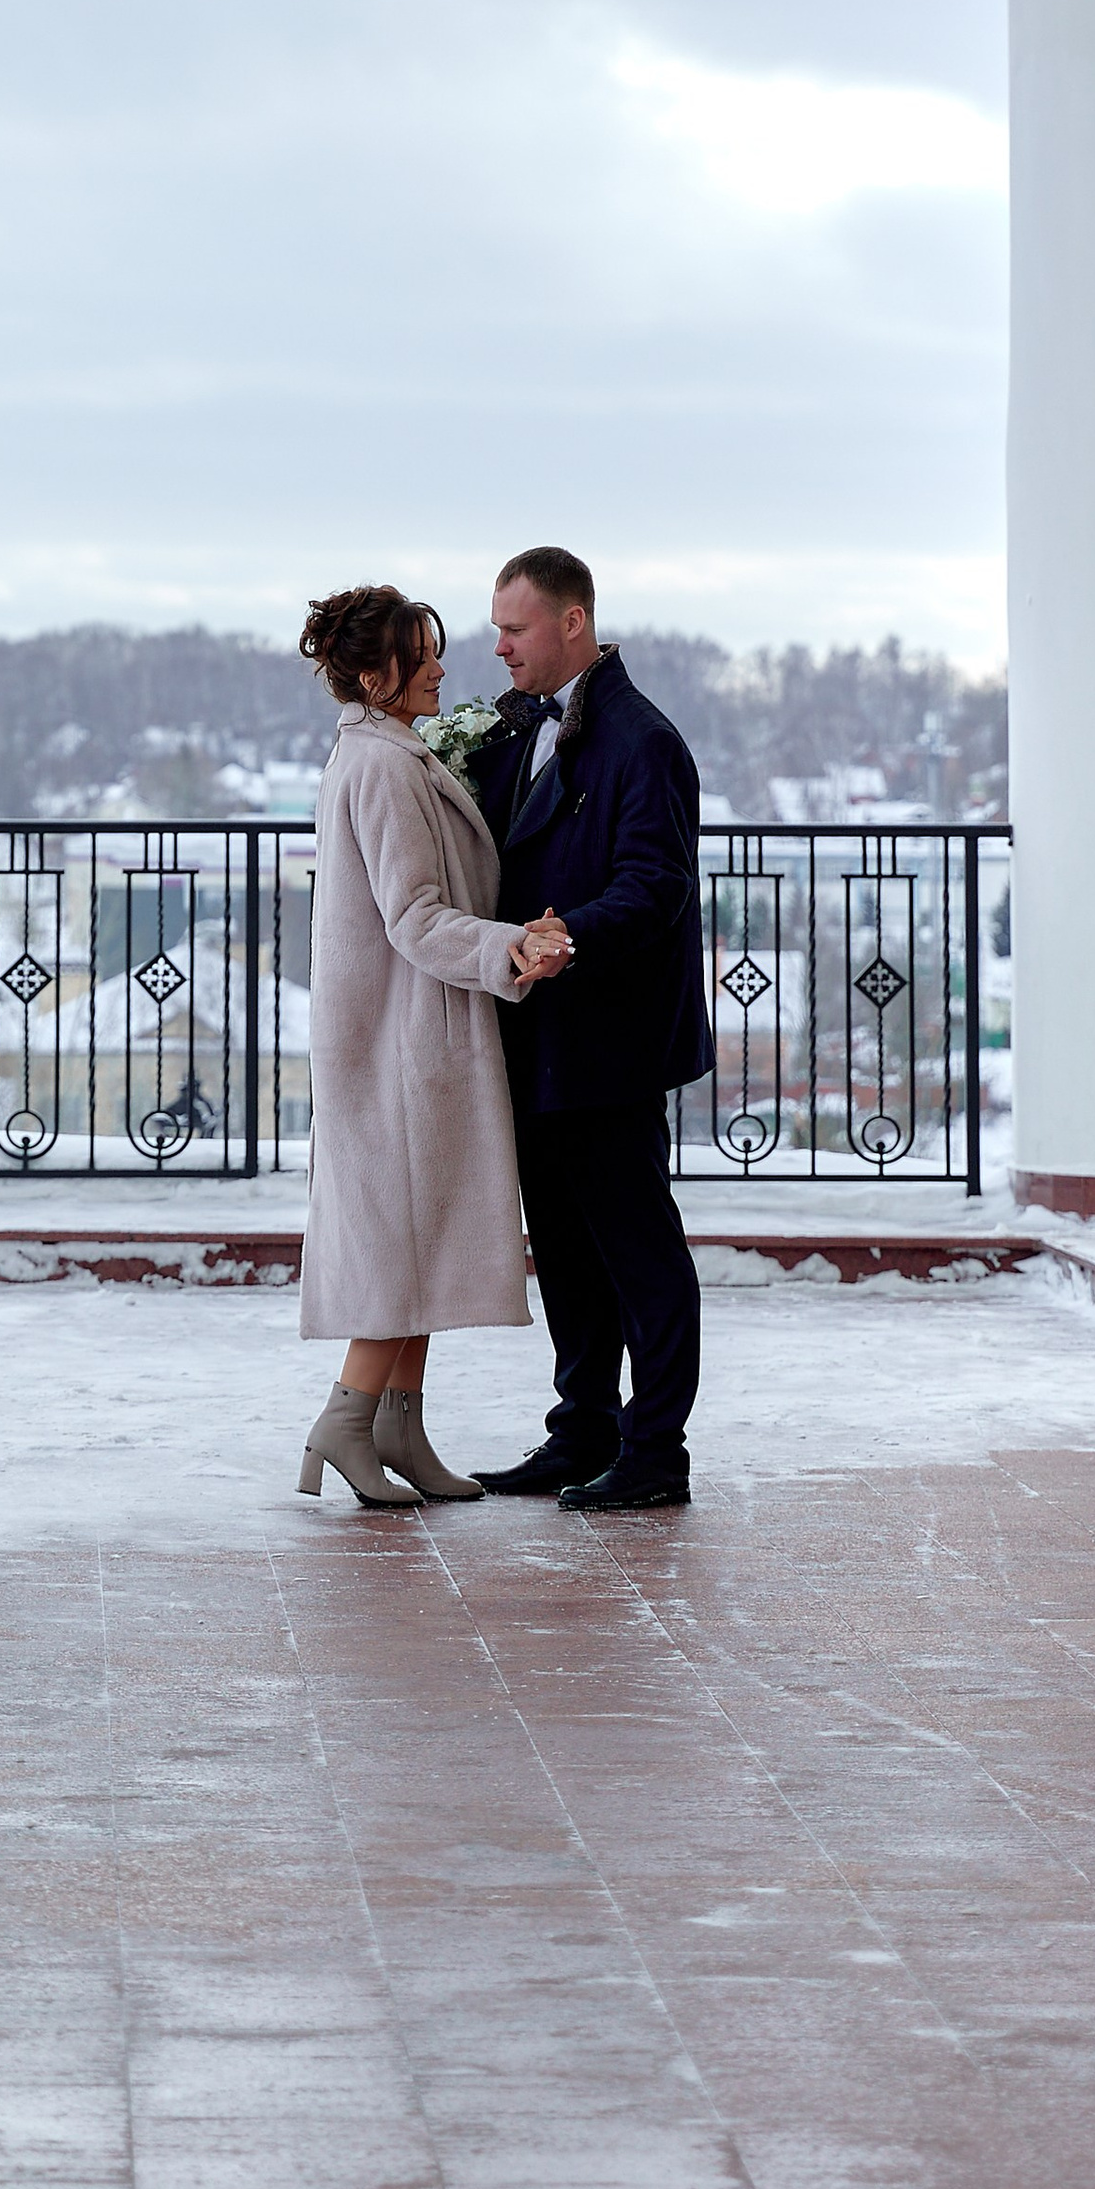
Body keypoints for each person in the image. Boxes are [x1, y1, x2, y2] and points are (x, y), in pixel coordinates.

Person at [293, 583, 573, 1510]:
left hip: (408, 1036)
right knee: (398, 1246)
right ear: (378, 674)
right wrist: (510, 948)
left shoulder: (387, 751)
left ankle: (398, 1426)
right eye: (423, 654)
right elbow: (413, 916)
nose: (443, 668)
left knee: (418, 1241)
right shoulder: (379, 766)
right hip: (398, 1044)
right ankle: (346, 1419)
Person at [472, 545, 712, 1512]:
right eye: (496, 628)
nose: (499, 647)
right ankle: (583, 1432)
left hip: (606, 1040)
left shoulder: (642, 740)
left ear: (573, 623)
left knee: (636, 1248)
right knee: (564, 1246)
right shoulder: (515, 726)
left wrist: (570, 935)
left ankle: (657, 1451)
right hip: (537, 1034)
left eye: (515, 629)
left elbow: (655, 885)